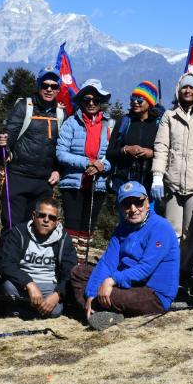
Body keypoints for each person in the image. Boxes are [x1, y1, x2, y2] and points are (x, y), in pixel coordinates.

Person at [70, 181, 179, 330]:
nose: (133, 209)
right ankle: (99, 309)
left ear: (147, 203)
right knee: (79, 272)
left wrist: (111, 280)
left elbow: (145, 269)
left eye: (138, 203)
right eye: (127, 204)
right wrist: (91, 292)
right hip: (128, 283)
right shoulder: (122, 229)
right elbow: (107, 263)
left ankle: (98, 310)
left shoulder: (161, 227)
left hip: (154, 293)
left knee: (110, 294)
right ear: (121, 208)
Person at [151, 71, 193, 281]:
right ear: (178, 90)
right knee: (172, 232)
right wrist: (157, 176)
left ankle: (186, 272)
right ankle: (170, 272)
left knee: (191, 232)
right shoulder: (169, 116)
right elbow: (161, 147)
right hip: (173, 182)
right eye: (184, 87)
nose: (188, 91)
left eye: (192, 88)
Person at [0, 67, 64, 231]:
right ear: (38, 84)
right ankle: (9, 257)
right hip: (18, 176)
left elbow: (63, 147)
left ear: (58, 89)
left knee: (37, 230)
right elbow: (10, 134)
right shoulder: (24, 106)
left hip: (44, 182)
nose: (49, 89)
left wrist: (59, 170)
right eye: (45, 85)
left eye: (53, 86)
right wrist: (3, 143)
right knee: (12, 227)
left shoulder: (61, 113)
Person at [56, 79, 112, 259]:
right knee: (72, 226)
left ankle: (81, 265)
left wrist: (101, 166)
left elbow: (113, 155)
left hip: (98, 184)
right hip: (73, 183)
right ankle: (70, 264)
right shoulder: (71, 123)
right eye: (87, 99)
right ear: (81, 100)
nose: (91, 103)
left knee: (88, 228)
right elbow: (61, 153)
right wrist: (88, 163)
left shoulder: (109, 125)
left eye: (95, 100)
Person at [0, 198, 77, 319]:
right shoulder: (18, 232)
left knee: (56, 310)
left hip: (49, 287)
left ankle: (18, 311)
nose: (46, 220)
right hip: (22, 285)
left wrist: (58, 294)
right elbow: (6, 263)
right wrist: (29, 283)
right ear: (34, 215)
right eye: (42, 215)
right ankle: (31, 311)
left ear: (58, 221)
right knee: (8, 287)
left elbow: (70, 270)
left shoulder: (64, 239)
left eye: (52, 218)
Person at [106, 81, 163, 191]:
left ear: (150, 102)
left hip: (149, 183)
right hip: (123, 183)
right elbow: (110, 153)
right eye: (133, 98)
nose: (135, 102)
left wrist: (152, 153)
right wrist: (125, 150)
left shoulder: (159, 125)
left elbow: (167, 152)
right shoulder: (124, 122)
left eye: (140, 99)